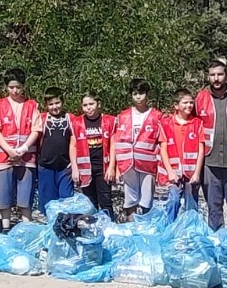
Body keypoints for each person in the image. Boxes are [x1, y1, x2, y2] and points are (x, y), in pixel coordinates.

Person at [194, 60, 227, 230]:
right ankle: (217, 246)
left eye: (220, 74)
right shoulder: (200, 98)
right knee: (214, 209)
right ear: (208, 76)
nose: (216, 78)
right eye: (212, 75)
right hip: (210, 162)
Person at [0, 68, 42, 230]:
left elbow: (36, 129)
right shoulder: (0, 105)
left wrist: (24, 148)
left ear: (23, 86)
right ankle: (5, 227)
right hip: (4, 157)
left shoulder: (31, 105)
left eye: (18, 87)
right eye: (11, 87)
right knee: (4, 193)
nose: (15, 90)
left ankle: (26, 227)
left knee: (25, 193)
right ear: (6, 87)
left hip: (26, 158)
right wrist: (9, 150)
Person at [109, 79, 163, 219]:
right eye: (135, 94)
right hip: (127, 164)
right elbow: (116, 141)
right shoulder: (123, 116)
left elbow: (162, 142)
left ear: (147, 94)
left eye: (141, 93)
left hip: (148, 164)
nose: (138, 97)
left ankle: (146, 229)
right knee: (130, 197)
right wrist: (115, 167)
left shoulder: (157, 116)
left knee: (147, 199)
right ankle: (131, 229)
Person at [160, 89, 204, 219]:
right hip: (173, 173)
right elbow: (163, 149)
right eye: (185, 102)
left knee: (191, 205)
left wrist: (197, 173)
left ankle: (190, 232)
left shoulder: (197, 123)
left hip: (191, 174)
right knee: (173, 201)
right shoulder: (166, 123)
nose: (189, 105)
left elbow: (201, 149)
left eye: (191, 102)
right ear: (176, 105)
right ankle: (169, 230)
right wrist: (169, 172)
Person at [69, 92, 116, 212]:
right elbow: (73, 146)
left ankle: (109, 227)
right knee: (90, 203)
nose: (88, 108)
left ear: (98, 104)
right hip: (85, 169)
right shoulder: (77, 122)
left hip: (103, 168)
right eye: (85, 105)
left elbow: (113, 145)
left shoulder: (109, 121)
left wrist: (112, 167)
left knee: (105, 201)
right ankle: (92, 228)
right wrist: (74, 168)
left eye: (91, 104)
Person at [34, 88, 77, 216]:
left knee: (66, 200)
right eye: (51, 104)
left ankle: (65, 228)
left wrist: (74, 164)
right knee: (48, 202)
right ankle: (49, 228)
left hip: (65, 167)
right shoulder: (41, 118)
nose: (54, 107)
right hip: (45, 166)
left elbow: (76, 142)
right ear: (46, 105)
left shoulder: (71, 119)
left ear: (62, 102)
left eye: (57, 103)